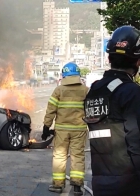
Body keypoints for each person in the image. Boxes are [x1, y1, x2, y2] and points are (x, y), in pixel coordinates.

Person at [83, 25, 140, 196]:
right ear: (137, 61)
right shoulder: (131, 92)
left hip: (100, 182)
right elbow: (136, 141)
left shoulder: (95, 90)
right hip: (128, 183)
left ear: (109, 57)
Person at [42, 62, 89, 195]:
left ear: (64, 75)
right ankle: (77, 186)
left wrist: (46, 126)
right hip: (79, 129)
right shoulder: (85, 90)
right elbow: (90, 110)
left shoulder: (59, 90)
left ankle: (58, 185)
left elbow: (51, 110)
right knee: (78, 156)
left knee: (59, 156)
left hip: (61, 130)